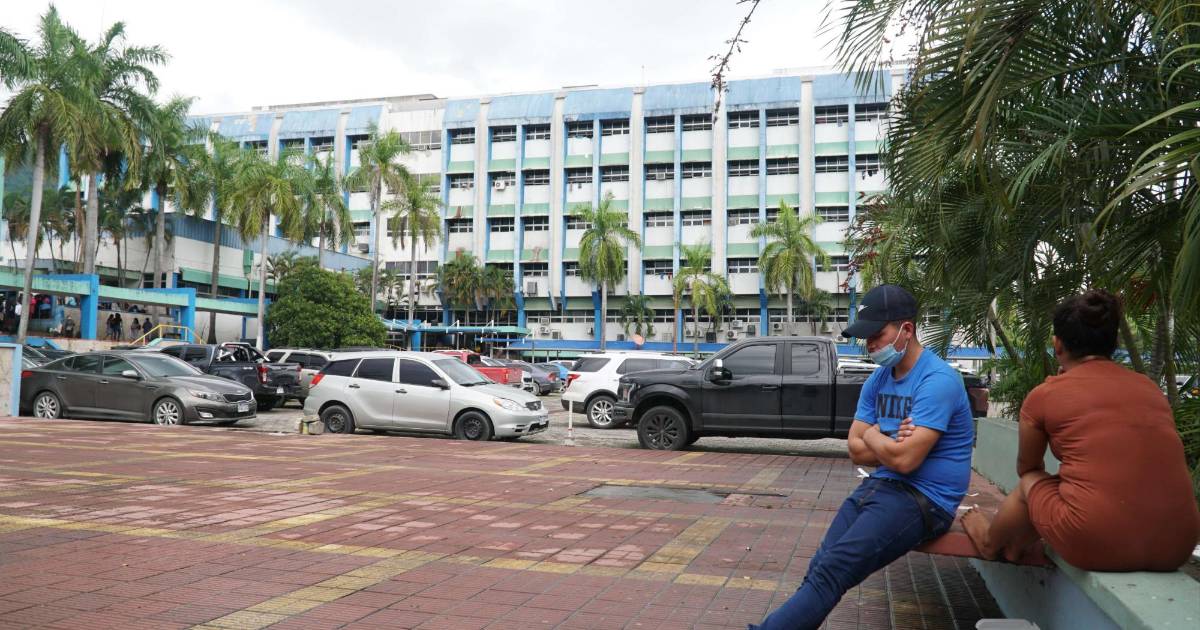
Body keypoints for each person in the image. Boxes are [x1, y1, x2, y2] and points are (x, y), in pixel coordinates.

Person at [751, 285, 975, 630]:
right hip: (881, 486)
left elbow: (904, 461)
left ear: (907, 330)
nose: (870, 345)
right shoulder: (878, 380)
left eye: (877, 335)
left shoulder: (937, 380)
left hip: (927, 499)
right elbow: (855, 450)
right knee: (821, 567)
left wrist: (872, 435)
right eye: (866, 337)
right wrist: (886, 439)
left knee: (832, 571)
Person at [962, 290, 1200, 571]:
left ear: (1057, 345)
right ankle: (1015, 547)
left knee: (1034, 482)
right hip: (1177, 546)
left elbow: (1028, 469)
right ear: (1113, 344)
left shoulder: (1046, 394)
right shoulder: (1149, 388)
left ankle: (989, 543)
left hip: (1095, 543)